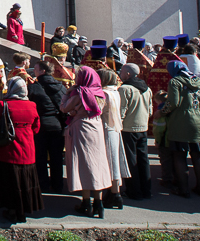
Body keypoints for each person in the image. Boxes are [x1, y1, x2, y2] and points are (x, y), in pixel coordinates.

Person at [0, 77, 43, 223]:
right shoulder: (32, 105)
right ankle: (23, 209)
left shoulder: (3, 104)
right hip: (27, 148)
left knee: (9, 180)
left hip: (7, 149)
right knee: (25, 179)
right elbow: (36, 128)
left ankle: (12, 210)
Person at [60, 65, 111, 218]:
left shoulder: (80, 92)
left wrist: (67, 94)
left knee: (84, 164)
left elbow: (63, 108)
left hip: (81, 128)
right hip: (96, 128)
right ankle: (99, 203)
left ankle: (86, 202)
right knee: (97, 164)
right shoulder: (100, 93)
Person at [161, 59, 200, 198]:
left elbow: (173, 102)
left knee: (179, 155)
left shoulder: (175, 82)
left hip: (181, 121)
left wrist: (162, 112)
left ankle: (183, 189)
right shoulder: (199, 82)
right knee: (198, 154)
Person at [28, 57, 67, 193]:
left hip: (41, 125)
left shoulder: (33, 87)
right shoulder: (61, 86)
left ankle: (42, 183)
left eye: (36, 69)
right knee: (56, 156)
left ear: (43, 71)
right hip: (57, 125)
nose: (34, 71)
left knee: (41, 156)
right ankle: (58, 184)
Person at [118, 63, 152, 200]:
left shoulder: (125, 89)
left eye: (121, 71)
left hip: (128, 128)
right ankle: (146, 189)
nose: (120, 74)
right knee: (143, 159)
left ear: (127, 74)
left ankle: (134, 190)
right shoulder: (147, 88)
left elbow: (121, 111)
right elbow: (150, 109)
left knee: (130, 160)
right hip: (142, 126)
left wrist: (118, 125)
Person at [97, 69, 129, 209]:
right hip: (115, 128)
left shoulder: (104, 93)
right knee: (114, 160)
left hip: (105, 127)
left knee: (108, 160)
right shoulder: (115, 91)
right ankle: (116, 192)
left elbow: (98, 110)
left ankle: (111, 193)